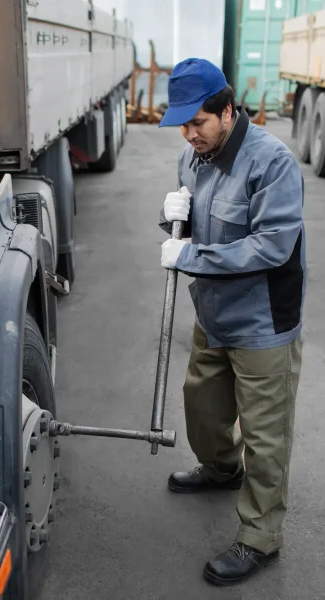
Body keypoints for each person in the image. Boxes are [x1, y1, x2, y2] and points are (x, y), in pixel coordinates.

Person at [157, 58, 305, 586]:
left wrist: (188, 256)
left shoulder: (272, 163)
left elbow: (271, 246)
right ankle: (222, 469)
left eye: (197, 122)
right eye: (182, 123)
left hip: (262, 321)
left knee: (266, 436)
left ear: (226, 110)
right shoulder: (192, 158)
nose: (187, 133)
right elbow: (191, 225)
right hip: (213, 312)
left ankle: (261, 538)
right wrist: (172, 216)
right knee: (203, 407)